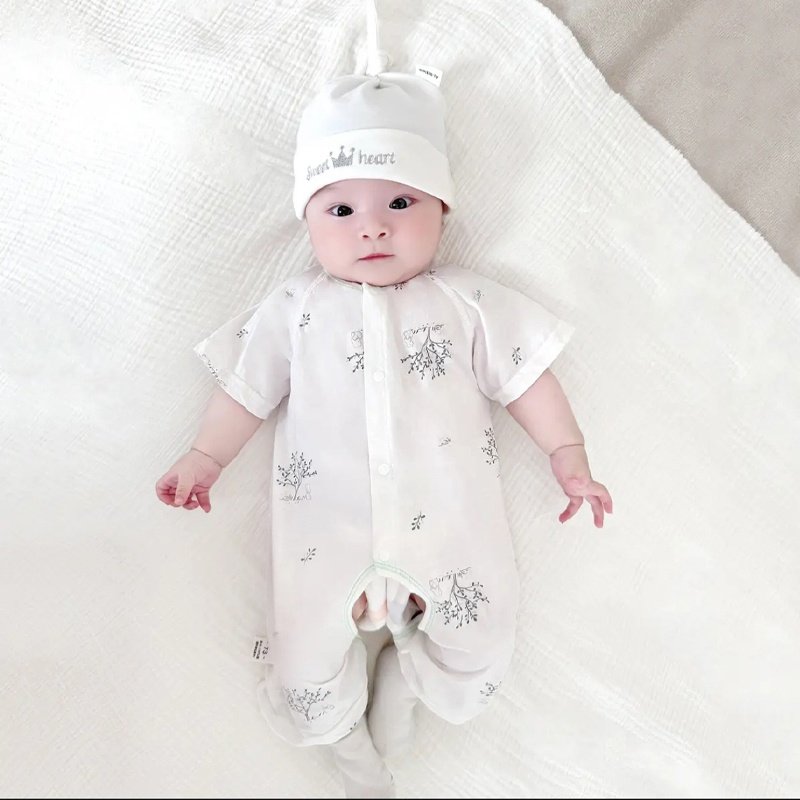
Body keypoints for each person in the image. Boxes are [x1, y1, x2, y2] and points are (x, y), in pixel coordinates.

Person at [155, 4, 613, 797]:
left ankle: (410, 681)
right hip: (325, 540)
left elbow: (529, 378)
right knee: (302, 659)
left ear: (442, 210)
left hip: (452, 530)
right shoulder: (294, 310)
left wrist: (567, 454)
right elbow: (244, 389)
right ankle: (341, 741)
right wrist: (205, 456)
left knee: (484, 635)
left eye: (399, 204)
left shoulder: (467, 302)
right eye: (341, 210)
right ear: (308, 221)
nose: (371, 228)